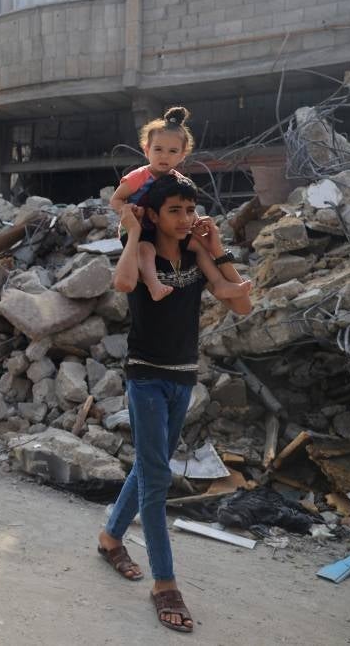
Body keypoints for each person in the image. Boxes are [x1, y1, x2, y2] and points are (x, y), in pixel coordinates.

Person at [98, 174, 252, 634]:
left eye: (190, 210)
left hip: (183, 376)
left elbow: (239, 302)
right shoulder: (141, 252)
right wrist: (134, 232)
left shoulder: (196, 254)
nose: (186, 219)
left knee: (151, 466)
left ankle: (110, 539)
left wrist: (219, 246)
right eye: (175, 211)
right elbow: (124, 284)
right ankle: (165, 584)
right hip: (145, 374)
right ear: (155, 214)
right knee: (157, 475)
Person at [109, 107, 252, 302]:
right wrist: (126, 211)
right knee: (146, 250)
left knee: (197, 246)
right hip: (138, 229)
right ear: (146, 150)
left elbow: (185, 208)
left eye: (172, 151)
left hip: (163, 228)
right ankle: (154, 285)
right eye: (158, 149)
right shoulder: (138, 178)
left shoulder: (178, 180)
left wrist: (195, 222)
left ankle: (219, 284)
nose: (164, 156)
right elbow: (115, 199)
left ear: (182, 155)